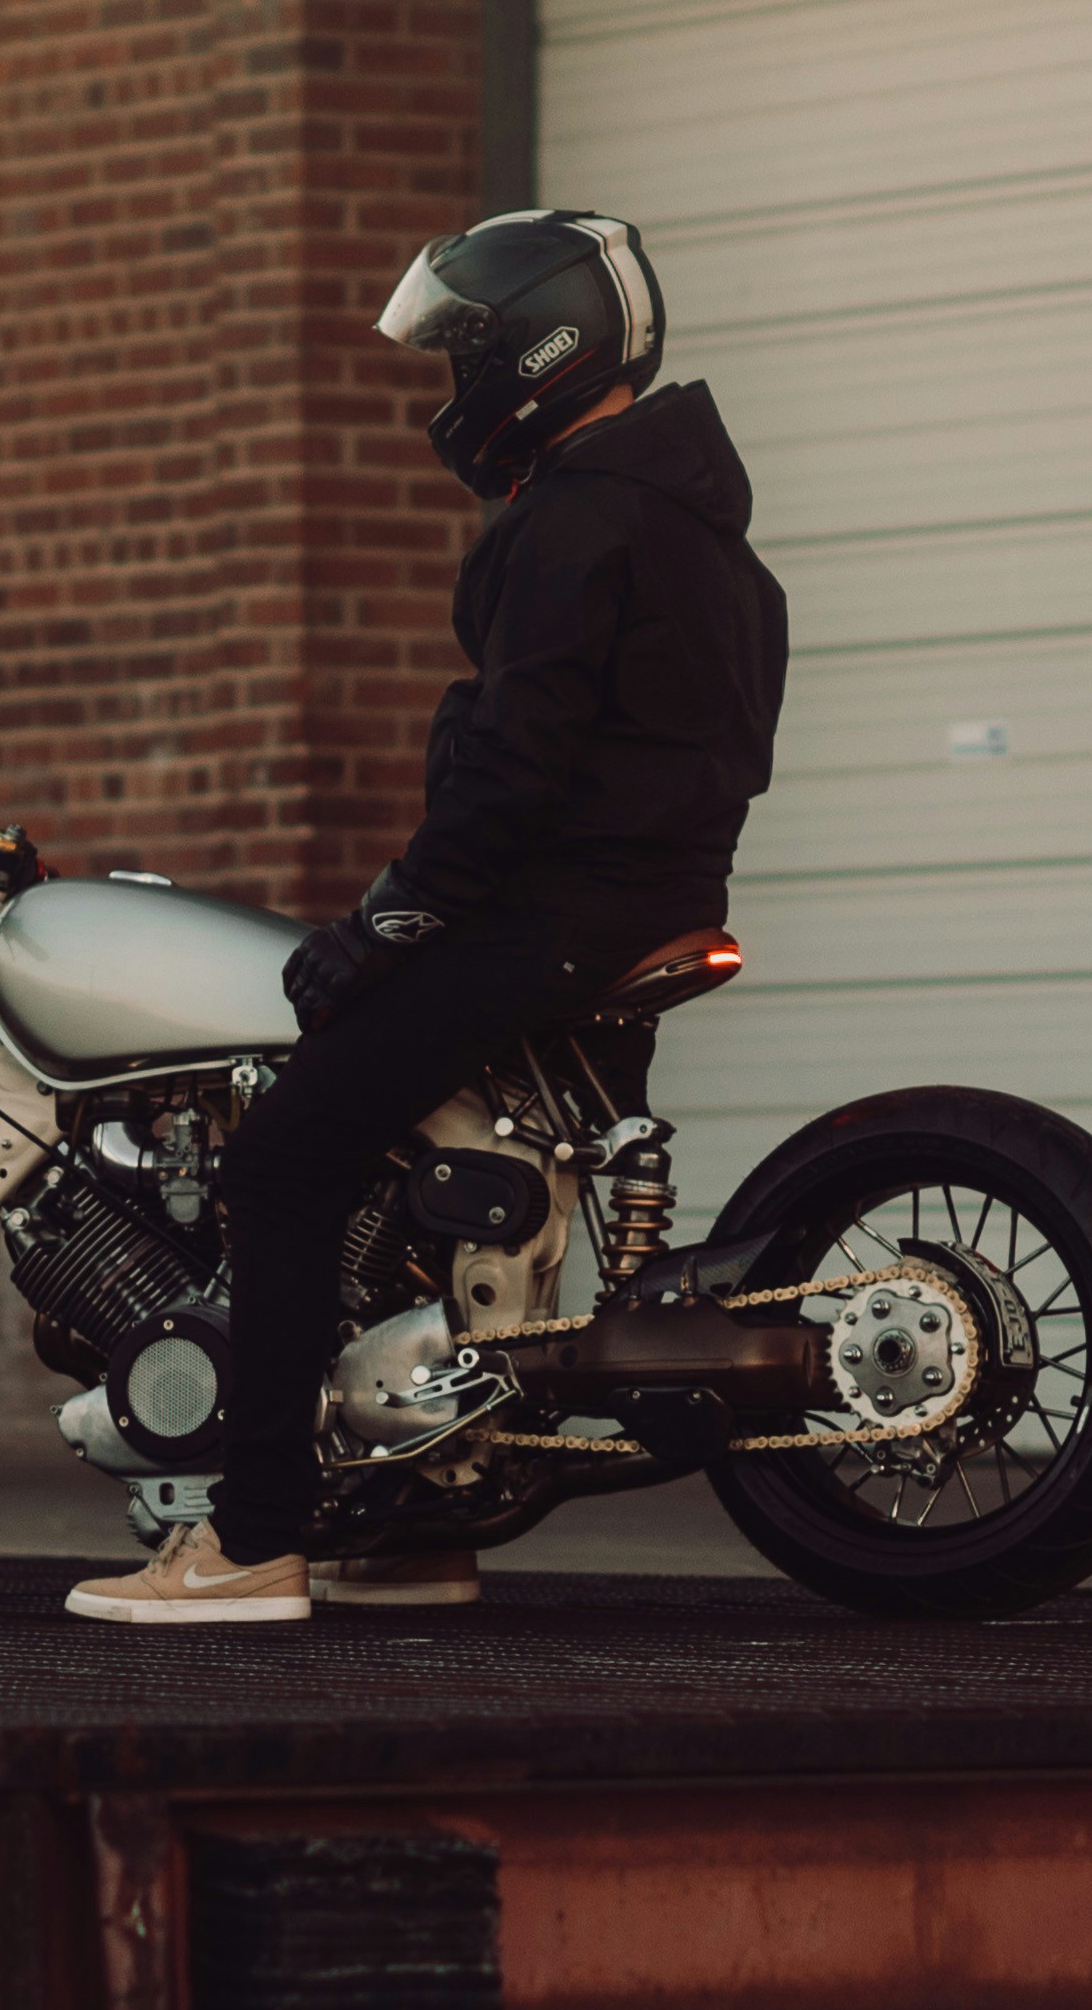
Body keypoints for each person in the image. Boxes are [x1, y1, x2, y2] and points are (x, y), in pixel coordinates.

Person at [66, 208, 788, 1623]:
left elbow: (510, 774)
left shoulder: (578, 518)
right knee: (436, 1181)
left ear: (539, 348)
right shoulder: (688, 517)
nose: (452, 390)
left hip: (553, 910)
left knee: (279, 1161)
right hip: (644, 900)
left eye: (463, 355)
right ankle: (408, 1526)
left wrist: (388, 924)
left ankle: (254, 1537)